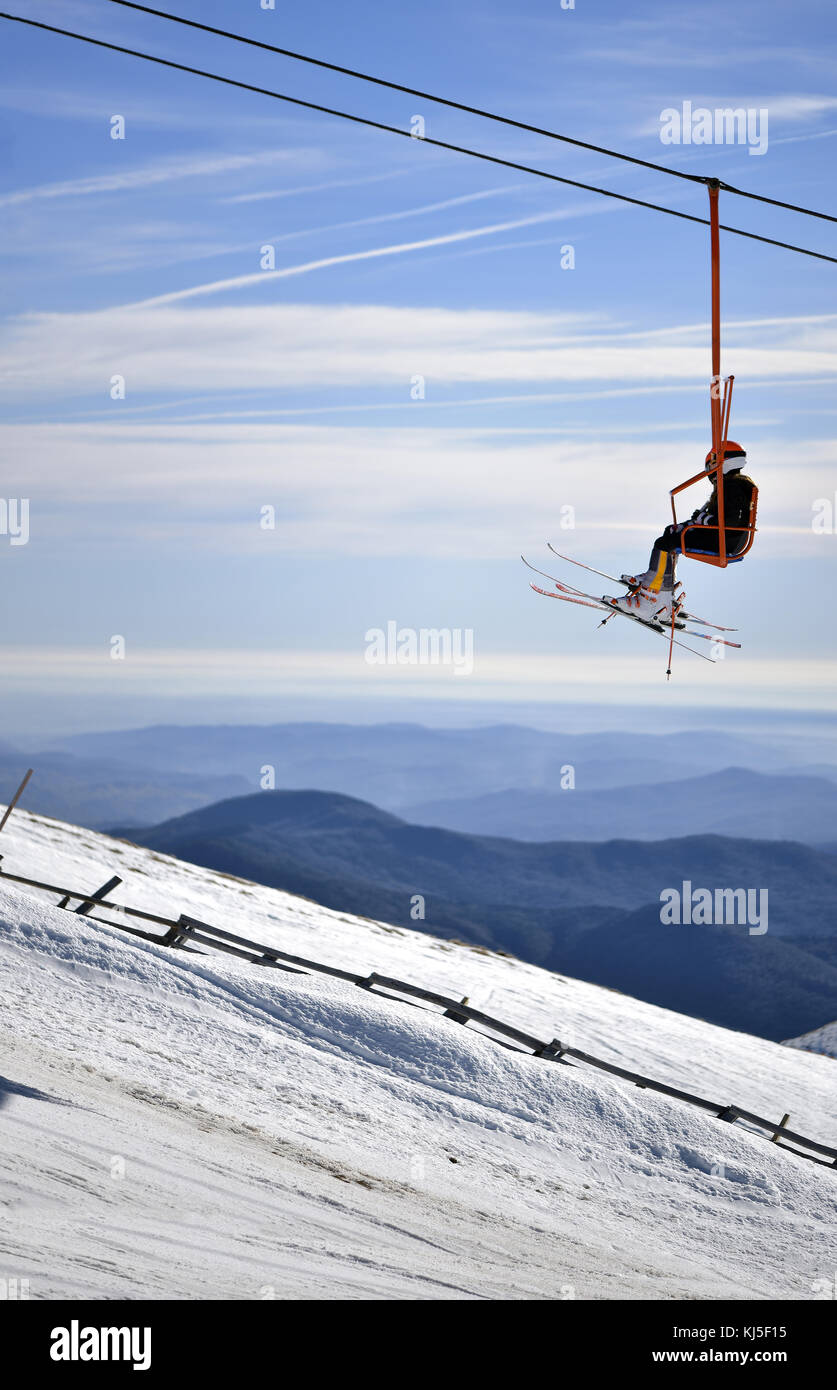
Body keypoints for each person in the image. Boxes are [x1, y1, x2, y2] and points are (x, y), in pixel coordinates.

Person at [607, 442, 756, 622]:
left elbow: (728, 520)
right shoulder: (736, 485)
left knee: (665, 544)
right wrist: (697, 520)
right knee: (671, 532)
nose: (711, 474)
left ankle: (651, 601)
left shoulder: (732, 487)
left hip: (724, 540)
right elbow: (724, 518)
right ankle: (660, 586)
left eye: (712, 467)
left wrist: (702, 519)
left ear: (723, 463)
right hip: (726, 538)